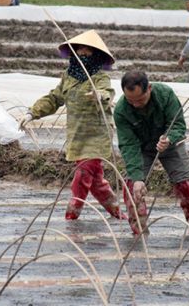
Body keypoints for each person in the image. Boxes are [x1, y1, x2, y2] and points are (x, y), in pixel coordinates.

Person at [19, 30, 125, 221]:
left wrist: (98, 95)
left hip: (97, 135)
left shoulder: (100, 77)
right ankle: (118, 213)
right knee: (96, 181)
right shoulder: (68, 76)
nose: (83, 53)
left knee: (83, 174)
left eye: (88, 50)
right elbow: (54, 98)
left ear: (96, 54)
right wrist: (32, 113)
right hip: (77, 134)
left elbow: (106, 92)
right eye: (79, 49)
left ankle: (72, 214)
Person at [114, 71, 189, 235]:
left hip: (169, 144)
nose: (135, 105)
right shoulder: (121, 110)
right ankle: (139, 234)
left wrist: (169, 138)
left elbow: (178, 125)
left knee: (185, 186)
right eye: (130, 100)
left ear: (149, 88)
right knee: (133, 188)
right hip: (142, 148)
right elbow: (128, 145)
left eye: (140, 100)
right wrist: (137, 178)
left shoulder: (165, 95)